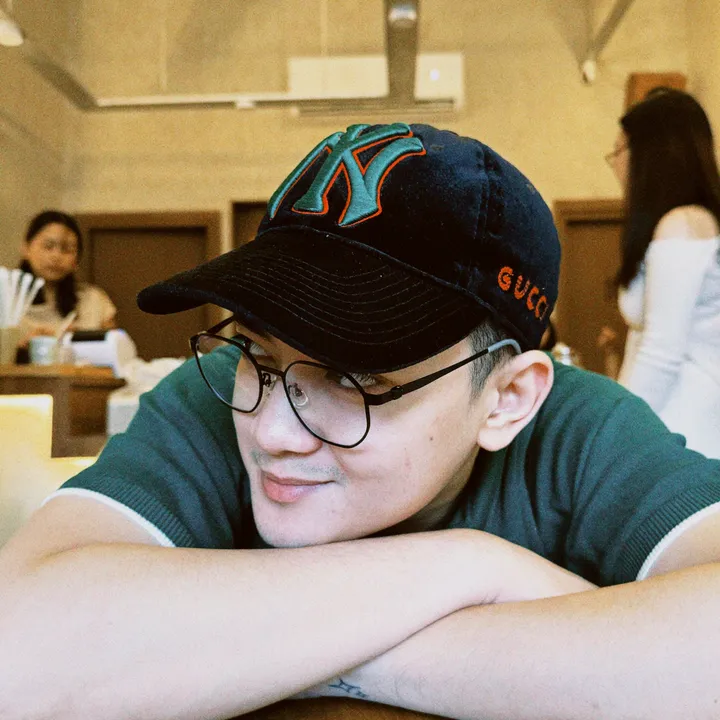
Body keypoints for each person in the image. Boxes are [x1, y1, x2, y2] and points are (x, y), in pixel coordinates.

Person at [1, 123, 719, 720]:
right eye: (257, 350)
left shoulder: (582, 432)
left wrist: (258, 651)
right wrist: (471, 567)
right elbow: (17, 647)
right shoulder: (215, 393)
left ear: (507, 399)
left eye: (356, 380)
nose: (274, 433)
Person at [606, 88, 720, 459]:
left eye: (619, 150)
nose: (615, 163)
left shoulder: (682, 225)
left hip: (683, 427)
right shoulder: (680, 225)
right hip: (670, 421)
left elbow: (661, 352)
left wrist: (612, 436)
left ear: (650, 154)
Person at [18, 210, 117, 343]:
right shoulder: (6, 300)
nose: (56, 256)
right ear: (25, 248)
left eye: (67, 249)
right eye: (48, 246)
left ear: (77, 260)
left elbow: (113, 348)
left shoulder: (94, 300)